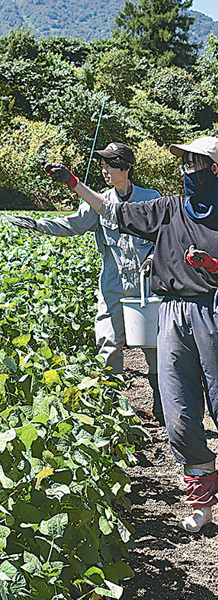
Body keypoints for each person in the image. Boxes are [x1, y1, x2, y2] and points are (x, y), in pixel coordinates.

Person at [43, 136, 218, 541]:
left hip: (214, 316)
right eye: (183, 165)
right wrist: (75, 183)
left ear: (217, 172)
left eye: (195, 166)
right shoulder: (166, 210)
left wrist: (217, 267)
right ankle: (201, 504)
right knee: (179, 411)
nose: (187, 172)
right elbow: (113, 212)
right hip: (170, 316)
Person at [8, 143, 164, 423]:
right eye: (102, 164)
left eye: (110, 165)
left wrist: (153, 257)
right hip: (112, 287)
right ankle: (113, 411)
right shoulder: (97, 200)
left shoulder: (150, 199)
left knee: (155, 346)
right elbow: (72, 225)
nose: (104, 170)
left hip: (147, 286)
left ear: (126, 168)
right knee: (108, 343)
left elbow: (166, 235)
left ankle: (162, 405)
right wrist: (37, 224)